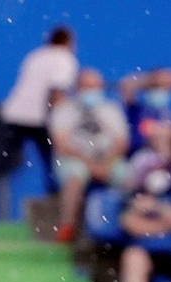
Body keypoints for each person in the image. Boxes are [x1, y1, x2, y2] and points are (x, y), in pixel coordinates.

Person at [0, 26, 78, 221]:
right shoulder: (64, 59)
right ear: (68, 42)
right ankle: (57, 208)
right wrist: (59, 121)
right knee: (53, 162)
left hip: (13, 114)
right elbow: (56, 92)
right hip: (41, 118)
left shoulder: (35, 56)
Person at [48, 68, 130, 242]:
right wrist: (91, 165)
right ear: (77, 88)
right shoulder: (63, 110)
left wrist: (106, 163)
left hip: (108, 160)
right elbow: (61, 144)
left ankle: (126, 225)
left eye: (95, 86)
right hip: (75, 160)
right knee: (75, 177)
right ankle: (67, 227)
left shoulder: (111, 110)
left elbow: (122, 143)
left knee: (127, 177)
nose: (91, 91)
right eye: (86, 86)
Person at [116, 163, 171, 282]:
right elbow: (129, 223)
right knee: (133, 257)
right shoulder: (148, 172)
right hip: (153, 254)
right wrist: (168, 225)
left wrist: (158, 208)